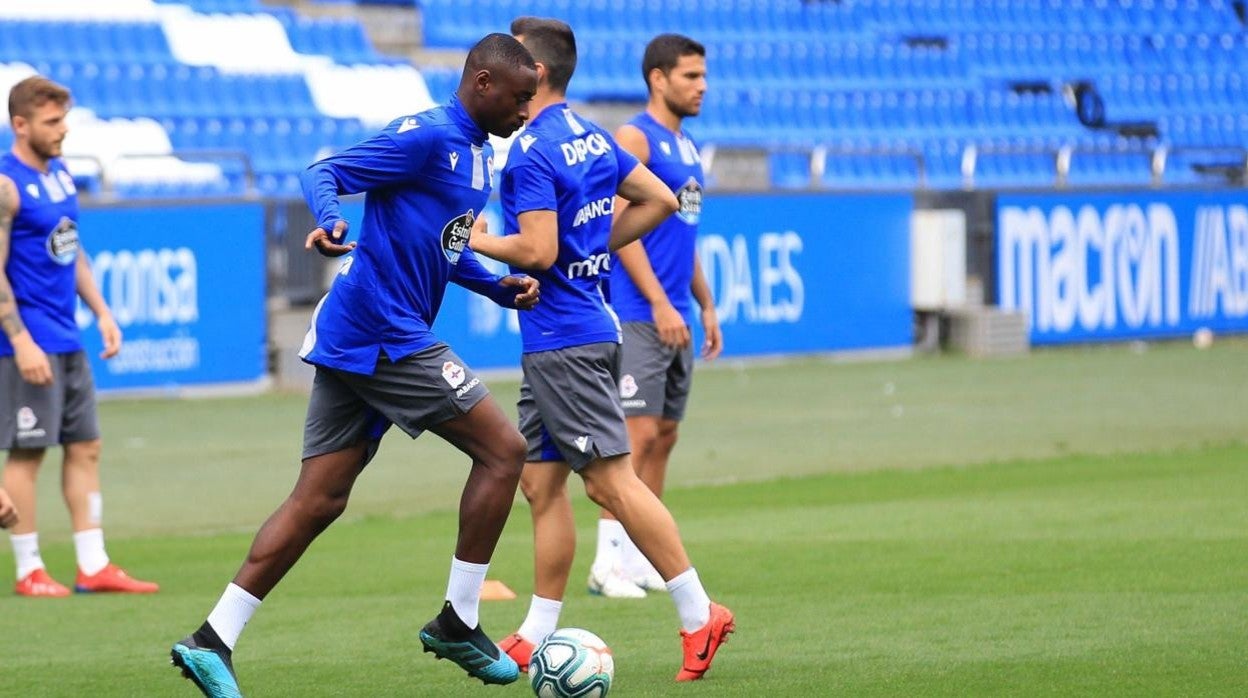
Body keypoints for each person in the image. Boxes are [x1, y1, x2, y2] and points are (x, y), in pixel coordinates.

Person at [169, 34, 540, 697]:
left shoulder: (481, 154)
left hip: (361, 336)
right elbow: (324, 172)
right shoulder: (426, 136)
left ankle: (211, 639)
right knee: (504, 451)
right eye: (518, 99)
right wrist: (333, 218)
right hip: (382, 331)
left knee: (319, 500)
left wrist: (494, 286)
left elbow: (444, 245)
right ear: (482, 84)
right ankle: (460, 619)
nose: (524, 111)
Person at [468, 18, 734, 683]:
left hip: (565, 340)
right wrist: (594, 250)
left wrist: (472, 239)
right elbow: (662, 200)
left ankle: (700, 614)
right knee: (539, 481)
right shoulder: (588, 134)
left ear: (532, 70)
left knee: (611, 479)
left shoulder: (529, 151)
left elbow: (536, 251)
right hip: (577, 331)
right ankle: (537, 631)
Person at [1, 76, 159, 598]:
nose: (62, 130)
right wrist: (20, 340)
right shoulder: (6, 183)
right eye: (51, 122)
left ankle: (93, 564)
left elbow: (72, 251)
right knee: (28, 452)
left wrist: (103, 312)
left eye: (63, 119)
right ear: (20, 125)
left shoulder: (63, 173)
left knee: (86, 445)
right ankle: (29, 570)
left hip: (67, 336)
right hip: (26, 342)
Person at [589, 33, 722, 598]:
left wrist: (705, 302)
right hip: (640, 312)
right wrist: (662, 302)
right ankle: (606, 563)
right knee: (635, 438)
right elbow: (621, 231)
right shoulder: (634, 137)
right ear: (658, 79)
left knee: (664, 435)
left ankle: (645, 557)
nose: (702, 86)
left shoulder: (687, 148)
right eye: (691, 76)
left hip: (676, 313)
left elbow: (683, 233)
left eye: (703, 76)